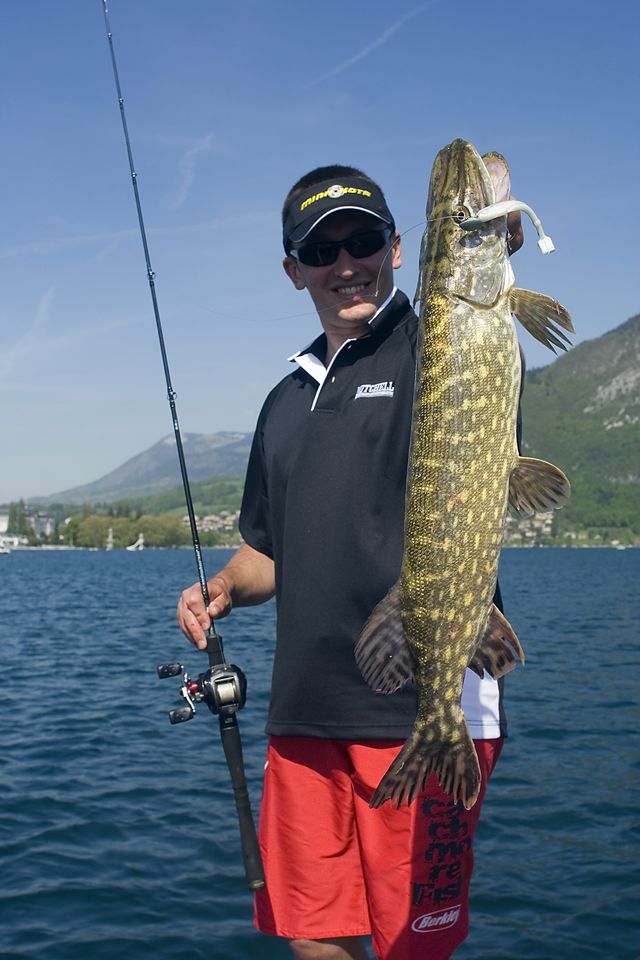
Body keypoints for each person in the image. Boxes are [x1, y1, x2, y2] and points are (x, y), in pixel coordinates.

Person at [177, 164, 524, 960]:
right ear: (294, 271)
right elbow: (271, 548)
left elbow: (476, 301)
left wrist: (488, 236)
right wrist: (225, 586)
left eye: (363, 241)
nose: (345, 265)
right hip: (305, 712)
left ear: (398, 248)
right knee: (314, 934)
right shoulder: (283, 400)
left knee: (412, 945)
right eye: (321, 250)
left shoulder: (436, 342)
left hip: (421, 709)